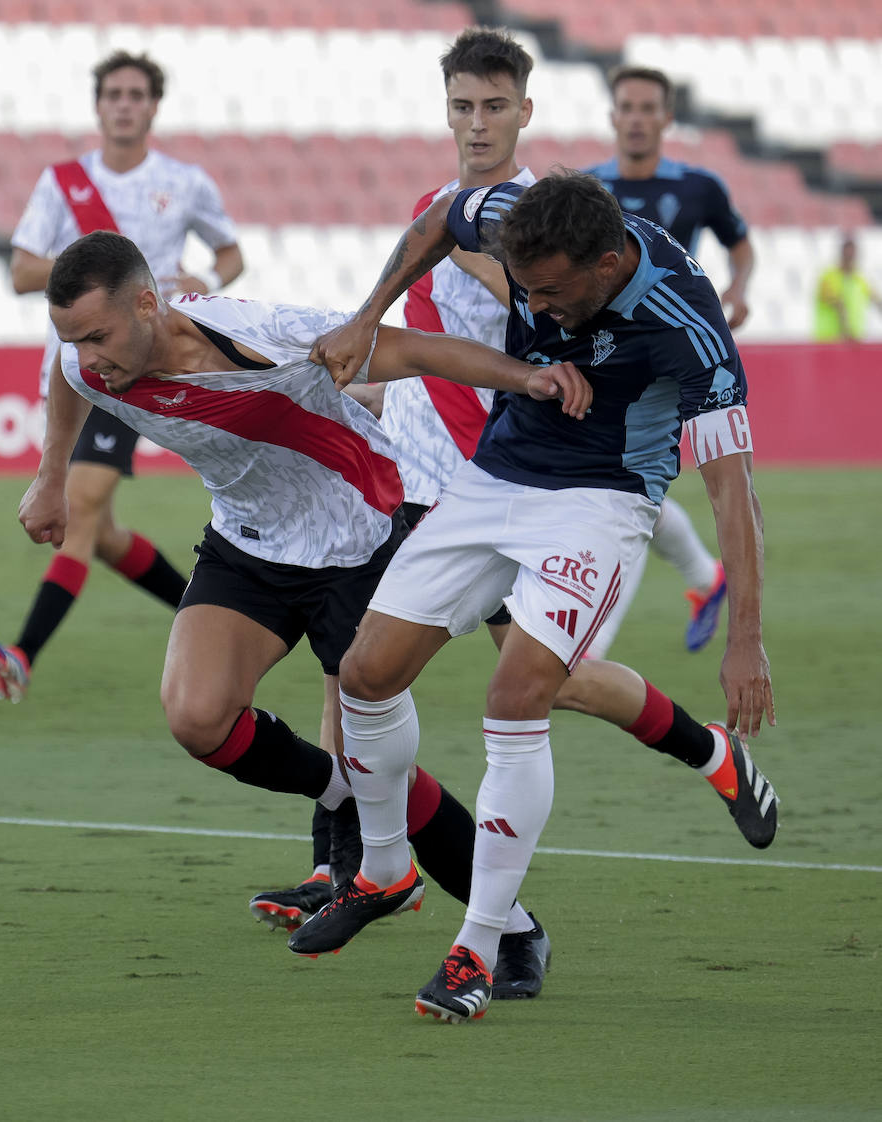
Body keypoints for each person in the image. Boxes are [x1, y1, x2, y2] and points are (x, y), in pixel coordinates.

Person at [252, 27, 777, 1001]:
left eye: (546, 295)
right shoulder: (518, 214)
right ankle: (384, 865)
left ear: (608, 261)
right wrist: (370, 315)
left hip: (600, 505)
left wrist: (745, 635)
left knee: (522, 692)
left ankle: (482, 946)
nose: (531, 307)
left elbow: (731, 487)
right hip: (491, 479)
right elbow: (438, 222)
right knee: (365, 671)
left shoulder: (689, 333)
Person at [19, 228, 594, 982]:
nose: (88, 355)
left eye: (98, 334)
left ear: (150, 304)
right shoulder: (90, 359)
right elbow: (69, 378)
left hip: (355, 540)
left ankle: (514, 931)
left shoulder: (267, 335)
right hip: (248, 543)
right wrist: (51, 474)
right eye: (73, 337)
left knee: (387, 766)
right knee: (198, 717)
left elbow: (416, 350)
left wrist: (530, 377)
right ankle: (342, 797)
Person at [0, 50, 244, 703]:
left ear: (153, 106)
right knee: (102, 533)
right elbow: (20, 272)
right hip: (70, 368)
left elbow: (230, 254)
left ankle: (23, 653)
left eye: (136, 94)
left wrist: (204, 280)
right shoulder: (62, 182)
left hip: (133, 368)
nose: (124, 104)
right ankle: (215, 614)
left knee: (82, 506)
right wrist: (99, 271)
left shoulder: (184, 182)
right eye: (114, 94)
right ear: (99, 106)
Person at [583, 63, 754, 655]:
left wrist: (737, 290)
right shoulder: (588, 189)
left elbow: (740, 241)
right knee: (633, 486)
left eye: (647, 109)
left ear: (666, 118)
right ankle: (707, 580)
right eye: (626, 108)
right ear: (612, 117)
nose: (635, 119)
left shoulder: (697, 186)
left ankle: (589, 646)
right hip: (604, 358)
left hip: (670, 359)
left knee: (630, 482)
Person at [814, 232, 881, 342]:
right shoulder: (828, 277)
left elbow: (877, 301)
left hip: (853, 342)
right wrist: (846, 332)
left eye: (853, 252)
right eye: (848, 252)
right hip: (829, 342)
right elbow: (838, 305)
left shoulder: (859, 279)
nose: (851, 256)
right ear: (841, 253)